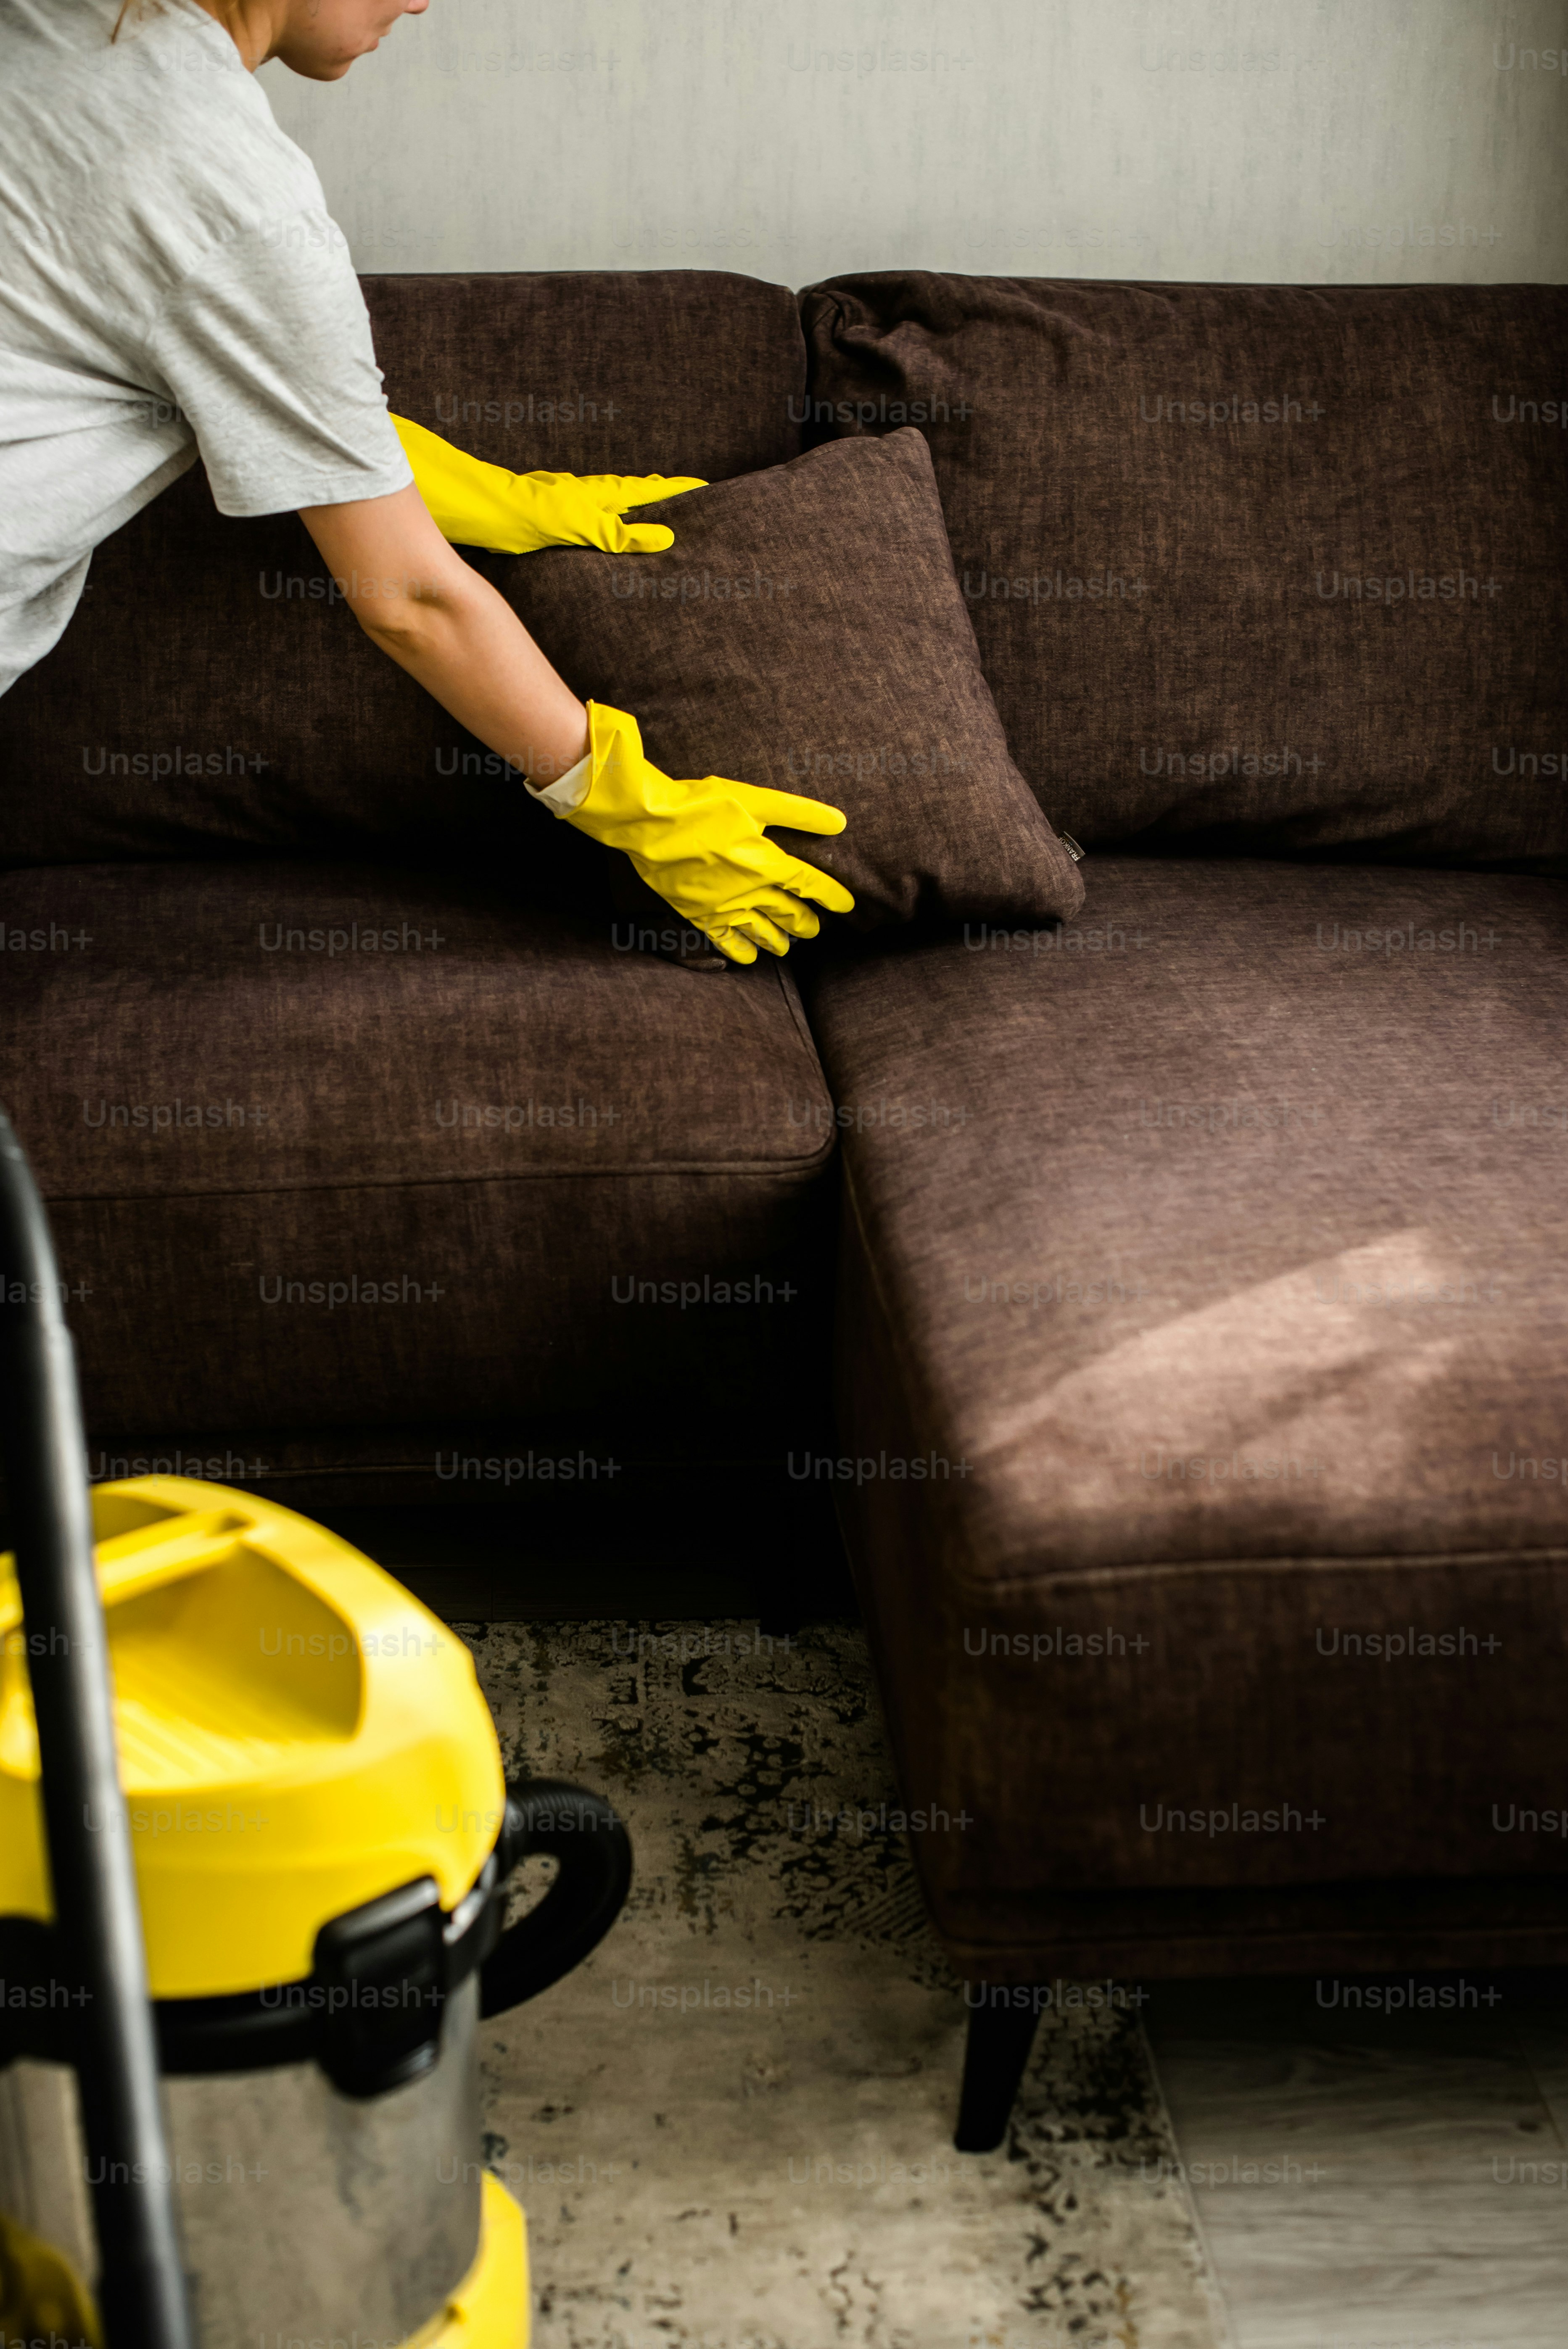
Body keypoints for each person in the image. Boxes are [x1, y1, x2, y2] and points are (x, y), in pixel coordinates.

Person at [0, 0, 853, 963]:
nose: (420, 1)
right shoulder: (232, 201)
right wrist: (635, 807)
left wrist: (510, 502)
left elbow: (243, 382)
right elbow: (408, 599)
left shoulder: (37, 31)